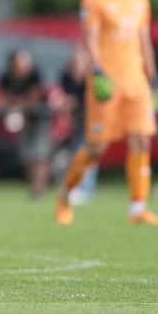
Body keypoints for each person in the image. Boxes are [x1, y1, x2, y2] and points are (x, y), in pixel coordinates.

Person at [55, 0, 158, 225]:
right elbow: (90, 38)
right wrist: (97, 71)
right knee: (96, 148)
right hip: (106, 82)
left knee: (141, 139)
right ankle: (65, 194)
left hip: (136, 83)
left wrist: (152, 78)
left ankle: (137, 208)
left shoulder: (141, 0)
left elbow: (144, 41)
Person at [0, 49, 50, 198]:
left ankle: (38, 189)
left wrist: (19, 106)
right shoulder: (6, 78)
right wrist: (16, 109)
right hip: (22, 120)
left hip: (40, 119)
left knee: (40, 155)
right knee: (27, 156)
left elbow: (34, 97)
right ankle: (34, 187)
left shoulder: (35, 75)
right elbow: (4, 99)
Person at [58, 47, 97, 204]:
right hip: (78, 121)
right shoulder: (67, 77)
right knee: (78, 153)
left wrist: (75, 102)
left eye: (79, 63)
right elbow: (65, 97)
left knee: (88, 154)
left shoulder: (92, 78)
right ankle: (77, 187)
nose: (76, 66)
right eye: (73, 63)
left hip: (94, 121)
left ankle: (85, 189)